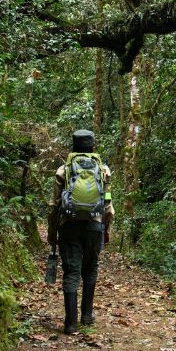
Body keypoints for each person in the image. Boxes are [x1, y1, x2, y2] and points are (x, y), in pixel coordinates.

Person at [47, 129, 114, 334]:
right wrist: (106, 228)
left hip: (69, 226)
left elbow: (55, 206)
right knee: (91, 267)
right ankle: (86, 315)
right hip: (94, 226)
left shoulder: (63, 171)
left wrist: (52, 233)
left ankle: (70, 324)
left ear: (73, 147)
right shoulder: (103, 171)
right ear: (92, 147)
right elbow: (108, 204)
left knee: (71, 271)